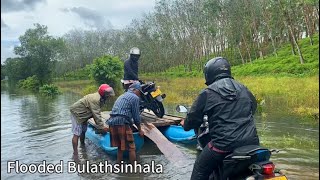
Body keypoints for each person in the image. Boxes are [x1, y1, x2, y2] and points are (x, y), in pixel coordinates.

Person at [180, 57, 260, 179]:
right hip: (252, 143)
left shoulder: (207, 92)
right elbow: (252, 108)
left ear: (209, 73)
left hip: (223, 145)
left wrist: (185, 124)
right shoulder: (243, 88)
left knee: (199, 171)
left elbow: (193, 118)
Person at [70, 84, 115, 156]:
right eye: (107, 94)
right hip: (77, 113)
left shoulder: (101, 98)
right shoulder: (95, 99)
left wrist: (101, 126)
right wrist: (102, 127)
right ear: (103, 93)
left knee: (83, 130)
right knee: (77, 133)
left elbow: (97, 113)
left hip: (85, 113)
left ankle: (82, 145)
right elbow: (96, 115)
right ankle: (75, 153)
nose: (109, 95)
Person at [107, 82, 144, 164]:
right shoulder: (134, 97)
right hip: (122, 122)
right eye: (139, 92)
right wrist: (140, 130)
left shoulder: (122, 95)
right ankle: (134, 170)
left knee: (120, 147)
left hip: (112, 122)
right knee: (131, 148)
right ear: (134, 90)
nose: (139, 95)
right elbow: (136, 116)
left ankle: (118, 165)